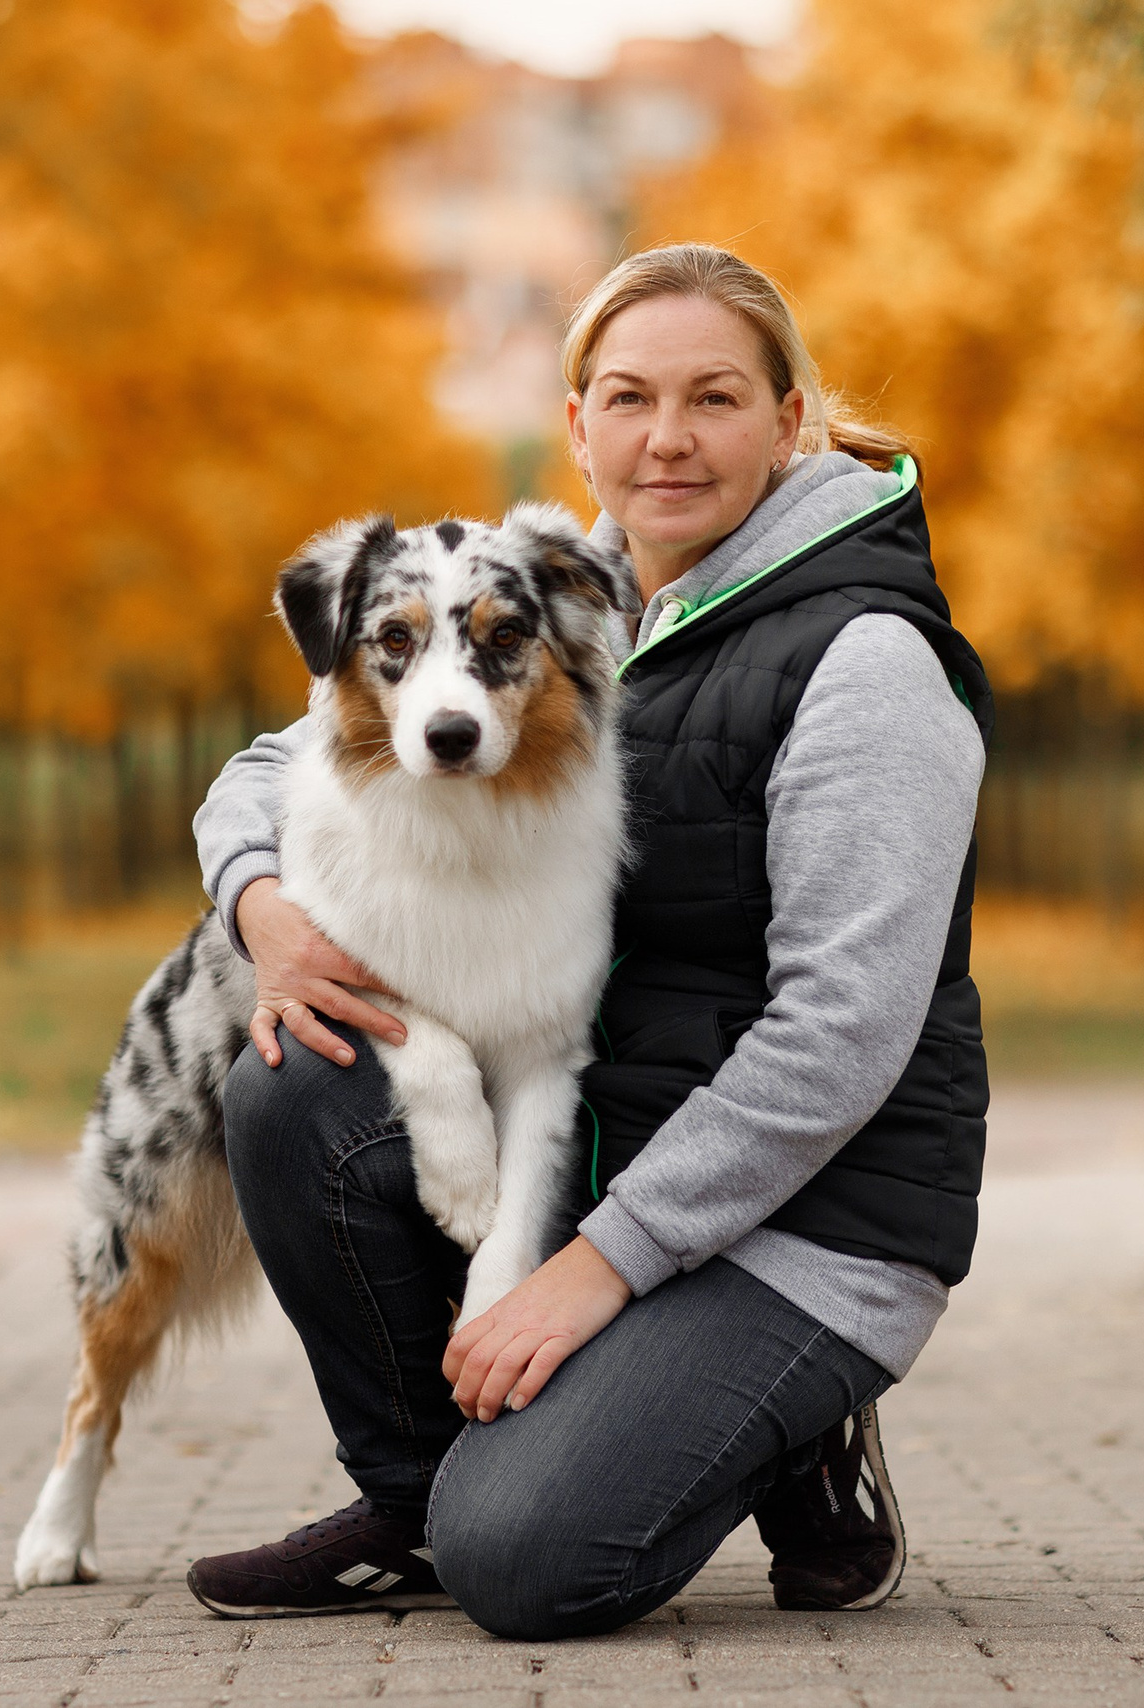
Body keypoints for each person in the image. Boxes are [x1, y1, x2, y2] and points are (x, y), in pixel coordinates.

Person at [185, 243, 990, 1638]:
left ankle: (785, 1434)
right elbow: (278, 760)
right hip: (605, 1144)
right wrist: (261, 905)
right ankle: (416, 1495)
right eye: (627, 398)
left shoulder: (867, 666)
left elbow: (843, 1036)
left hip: (806, 1220)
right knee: (296, 1081)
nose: (666, 439)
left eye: (715, 399)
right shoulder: (547, 596)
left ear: (790, 420)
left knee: (532, 1565)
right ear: (578, 427)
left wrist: (595, 1267)